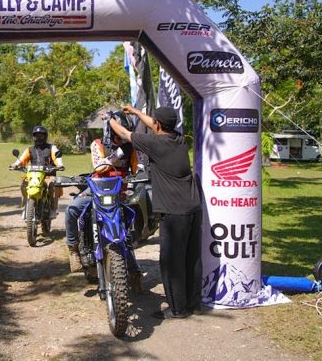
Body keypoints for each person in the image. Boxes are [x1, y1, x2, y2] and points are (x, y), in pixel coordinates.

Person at [109, 106, 202, 320]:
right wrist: (135, 111)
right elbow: (155, 124)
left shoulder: (155, 143)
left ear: (158, 125)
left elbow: (123, 133)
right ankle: (193, 303)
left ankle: (177, 309)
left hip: (173, 212)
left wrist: (110, 119)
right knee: (191, 259)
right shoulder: (179, 139)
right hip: (193, 208)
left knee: (171, 262)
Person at [65, 111, 142, 281]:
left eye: (124, 133)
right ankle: (73, 249)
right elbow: (99, 167)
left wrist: (140, 170)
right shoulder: (97, 144)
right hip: (97, 189)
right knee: (71, 210)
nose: (122, 137)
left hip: (119, 193)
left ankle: (134, 269)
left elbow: (137, 170)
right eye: (119, 134)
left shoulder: (131, 148)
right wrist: (119, 153)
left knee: (126, 229)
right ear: (110, 131)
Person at [10, 125, 65, 218]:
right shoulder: (30, 149)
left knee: (53, 185)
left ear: (45, 136)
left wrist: (60, 165)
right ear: (33, 137)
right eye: (36, 135)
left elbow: (57, 158)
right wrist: (15, 165)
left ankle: (53, 208)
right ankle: (26, 205)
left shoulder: (52, 148)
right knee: (24, 184)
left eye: (41, 135)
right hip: (33, 175)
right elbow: (22, 159)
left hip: (48, 175)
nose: (39, 138)